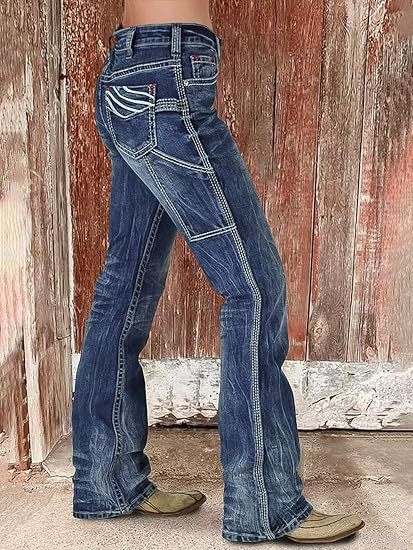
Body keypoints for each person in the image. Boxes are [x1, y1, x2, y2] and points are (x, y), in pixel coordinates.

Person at [71, 0, 365, 544]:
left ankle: (106, 481)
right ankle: (266, 504)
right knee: (255, 290)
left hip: (131, 74)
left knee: (124, 288)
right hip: (167, 80)